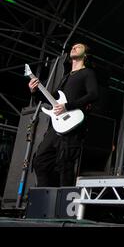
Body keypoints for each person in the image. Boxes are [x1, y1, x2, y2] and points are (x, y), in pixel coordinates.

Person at [28, 43, 99, 186]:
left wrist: (67, 106)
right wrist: (35, 91)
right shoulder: (66, 77)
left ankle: (62, 202)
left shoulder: (87, 73)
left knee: (64, 165)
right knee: (40, 161)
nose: (73, 48)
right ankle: (45, 196)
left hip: (72, 126)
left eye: (78, 47)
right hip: (56, 126)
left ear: (85, 54)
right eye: (72, 47)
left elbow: (93, 94)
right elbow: (52, 99)